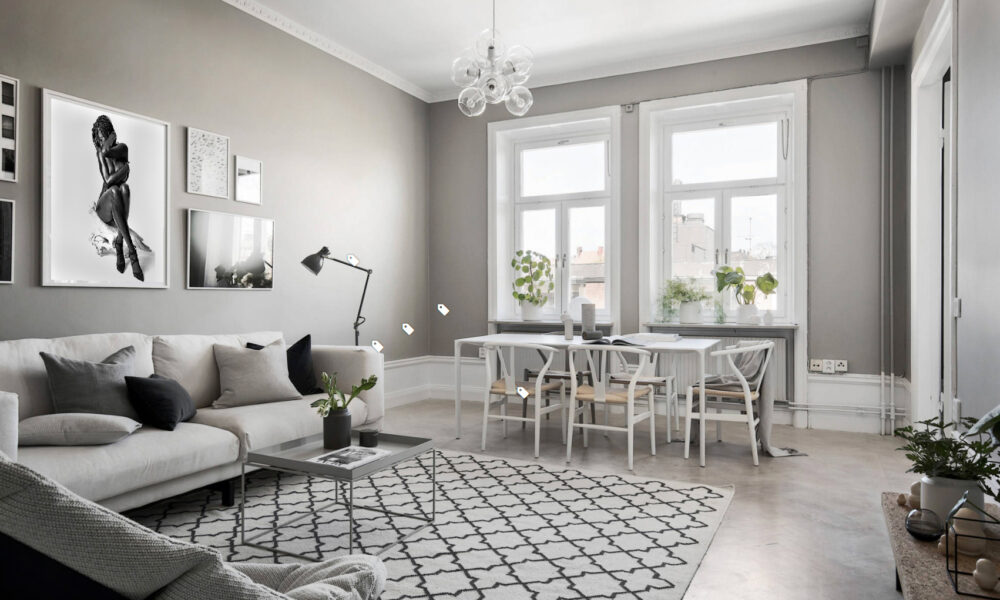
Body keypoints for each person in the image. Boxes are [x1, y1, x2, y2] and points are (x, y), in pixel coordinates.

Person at [92, 115, 143, 281]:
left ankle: (119, 243)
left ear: (110, 134)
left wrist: (112, 139)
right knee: (115, 189)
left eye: (104, 136)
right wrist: (125, 170)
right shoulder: (100, 154)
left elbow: (109, 153)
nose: (101, 142)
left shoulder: (122, 148)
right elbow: (107, 182)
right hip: (103, 207)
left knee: (125, 188)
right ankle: (132, 252)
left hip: (118, 206)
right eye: (99, 138)